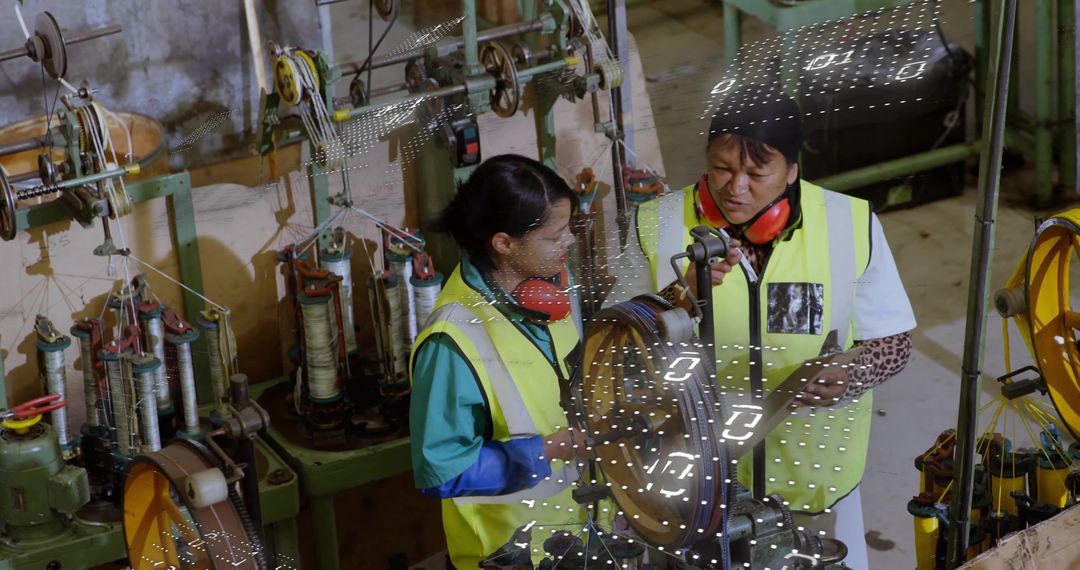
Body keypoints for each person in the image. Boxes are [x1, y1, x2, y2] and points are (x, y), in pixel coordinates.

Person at [636, 83, 916, 569]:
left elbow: (893, 340)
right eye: (722, 167)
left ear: (791, 171)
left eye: (755, 172)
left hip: (813, 476)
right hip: (702, 481)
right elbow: (615, 353)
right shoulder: (657, 227)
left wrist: (853, 373)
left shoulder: (850, 224)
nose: (734, 186)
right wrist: (672, 302)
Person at [409, 154, 592, 568]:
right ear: (504, 243)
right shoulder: (453, 339)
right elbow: (442, 470)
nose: (568, 243)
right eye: (554, 235)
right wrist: (555, 447)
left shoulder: (552, 287)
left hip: (581, 535)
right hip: (511, 554)